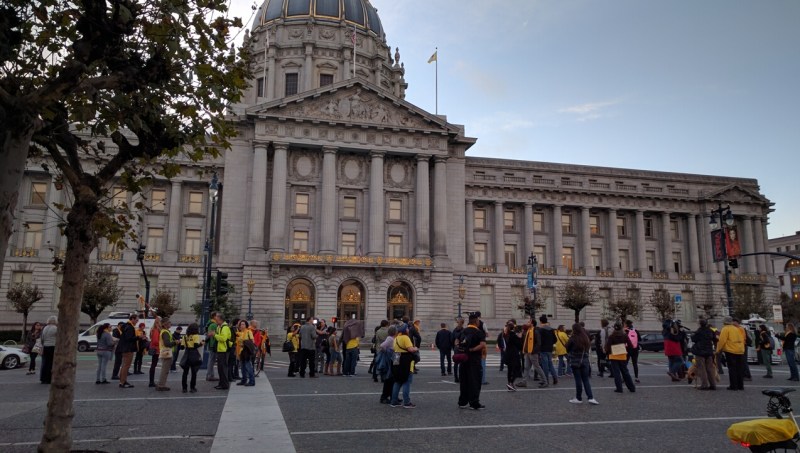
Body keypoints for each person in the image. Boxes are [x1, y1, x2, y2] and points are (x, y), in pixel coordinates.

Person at [457, 312, 486, 410]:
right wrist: (472, 349)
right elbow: (482, 345)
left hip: (464, 359)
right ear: (476, 322)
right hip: (474, 360)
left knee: (464, 380)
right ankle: (474, 402)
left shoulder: (463, 331)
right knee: (474, 381)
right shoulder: (479, 332)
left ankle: (462, 401)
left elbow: (456, 342)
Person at [567, 323, 598, 404]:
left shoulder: (573, 338)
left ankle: (578, 398)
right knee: (586, 380)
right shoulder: (585, 338)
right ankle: (590, 397)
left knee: (578, 380)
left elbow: (567, 347)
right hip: (585, 360)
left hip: (575, 361)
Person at [390, 323, 419, 408]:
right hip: (405, 359)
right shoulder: (405, 337)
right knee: (407, 380)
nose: (408, 329)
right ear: (404, 330)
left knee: (397, 380)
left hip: (396, 357)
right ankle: (407, 402)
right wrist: (415, 348)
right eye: (407, 328)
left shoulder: (396, 338)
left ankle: (394, 401)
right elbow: (410, 349)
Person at [716, 316, 745, 391]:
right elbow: (741, 339)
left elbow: (722, 340)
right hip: (740, 350)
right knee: (739, 369)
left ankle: (733, 385)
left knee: (732, 368)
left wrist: (718, 349)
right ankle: (740, 385)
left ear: (724, 321)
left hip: (731, 350)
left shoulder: (725, 329)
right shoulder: (736, 328)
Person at [606, 321, 635, 393]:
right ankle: (631, 388)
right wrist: (626, 351)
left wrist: (608, 354)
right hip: (622, 355)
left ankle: (619, 388)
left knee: (616, 373)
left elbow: (608, 347)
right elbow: (630, 345)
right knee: (625, 372)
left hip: (613, 356)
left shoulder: (611, 336)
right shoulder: (625, 335)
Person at [517, 319, 545, 388]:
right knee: (526, 367)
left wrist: (533, 351)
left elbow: (538, 343)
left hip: (532, 353)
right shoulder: (528, 331)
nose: (527, 323)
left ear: (532, 324)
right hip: (527, 352)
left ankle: (545, 381)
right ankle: (524, 382)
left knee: (537, 367)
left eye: (529, 322)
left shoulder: (535, 331)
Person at [691, 318, 717, 390]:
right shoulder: (710, 331)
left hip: (700, 351)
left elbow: (694, 339)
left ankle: (704, 384)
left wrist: (692, 335)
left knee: (702, 368)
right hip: (709, 351)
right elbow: (715, 339)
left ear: (700, 324)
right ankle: (713, 384)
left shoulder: (699, 331)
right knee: (710, 368)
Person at [210, 312, 233, 390]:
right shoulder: (219, 327)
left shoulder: (225, 327)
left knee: (223, 368)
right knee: (220, 368)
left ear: (220, 319)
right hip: (220, 350)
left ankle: (224, 384)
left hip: (224, 350)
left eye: (216, 317)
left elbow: (223, 338)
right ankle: (221, 383)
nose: (215, 318)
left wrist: (215, 335)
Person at [181, 323, 204, 393]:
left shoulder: (185, 337)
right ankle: (192, 387)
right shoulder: (196, 336)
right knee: (194, 372)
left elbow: (182, 347)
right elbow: (195, 345)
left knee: (185, 372)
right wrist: (202, 343)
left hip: (187, 353)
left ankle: (184, 388)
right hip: (194, 354)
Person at [156, 317, 178, 391]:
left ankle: (161, 384)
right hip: (166, 352)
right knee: (165, 370)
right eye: (169, 323)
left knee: (164, 369)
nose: (170, 324)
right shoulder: (165, 332)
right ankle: (161, 385)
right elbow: (167, 343)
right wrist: (175, 342)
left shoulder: (164, 331)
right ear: (165, 324)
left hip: (165, 351)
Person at [118, 313, 139, 388]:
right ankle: (122, 382)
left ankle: (122, 380)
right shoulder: (130, 327)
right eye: (136, 320)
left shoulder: (126, 326)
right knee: (126, 366)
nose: (137, 321)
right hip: (128, 348)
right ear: (132, 319)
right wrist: (138, 337)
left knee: (124, 365)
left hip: (125, 348)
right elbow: (129, 338)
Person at [378, 326, 397, 404]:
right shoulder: (390, 338)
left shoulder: (391, 338)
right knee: (389, 379)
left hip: (392, 360)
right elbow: (382, 346)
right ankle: (385, 397)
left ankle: (393, 395)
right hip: (390, 360)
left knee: (391, 379)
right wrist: (388, 352)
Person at [538, 315, 558, 386]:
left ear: (540, 321)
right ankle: (555, 378)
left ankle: (545, 380)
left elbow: (539, 340)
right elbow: (555, 339)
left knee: (545, 365)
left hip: (543, 349)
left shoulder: (540, 330)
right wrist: (550, 343)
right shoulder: (551, 329)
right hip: (550, 349)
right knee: (550, 364)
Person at [236, 320, 255, 386]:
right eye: (241, 324)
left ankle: (252, 381)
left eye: (243, 324)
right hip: (241, 351)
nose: (242, 325)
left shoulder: (248, 332)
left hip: (246, 351)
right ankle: (244, 380)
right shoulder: (239, 333)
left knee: (248, 366)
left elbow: (252, 341)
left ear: (246, 325)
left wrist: (244, 343)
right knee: (242, 366)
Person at [503, 322, 522, 391]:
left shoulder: (506, 334)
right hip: (514, 355)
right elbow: (519, 346)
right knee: (517, 369)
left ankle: (509, 383)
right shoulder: (513, 335)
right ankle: (511, 382)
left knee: (510, 370)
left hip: (508, 354)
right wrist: (520, 338)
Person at [40, 316, 57, 384]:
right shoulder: (55, 328)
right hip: (52, 346)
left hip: (45, 346)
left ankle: (43, 378)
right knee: (51, 364)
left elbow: (42, 338)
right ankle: (49, 378)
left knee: (44, 363)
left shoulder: (45, 328)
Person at [148, 317, 162, 388]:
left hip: (153, 348)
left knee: (153, 365)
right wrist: (161, 344)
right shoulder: (156, 330)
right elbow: (156, 341)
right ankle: (151, 382)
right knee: (153, 365)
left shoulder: (152, 330)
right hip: (156, 349)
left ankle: (151, 381)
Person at [205, 312, 219, 382]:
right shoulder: (213, 325)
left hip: (211, 344)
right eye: (217, 316)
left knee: (211, 360)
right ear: (214, 317)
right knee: (211, 361)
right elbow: (211, 334)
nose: (218, 317)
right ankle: (210, 375)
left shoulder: (210, 323)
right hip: (213, 344)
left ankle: (210, 375)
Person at [451, 317, 465, 383]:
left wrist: (453, 346)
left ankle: (456, 377)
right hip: (461, 348)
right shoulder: (463, 330)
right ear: (462, 323)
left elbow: (451, 339)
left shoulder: (454, 330)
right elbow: (463, 339)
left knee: (456, 363)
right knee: (462, 364)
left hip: (456, 348)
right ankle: (461, 377)